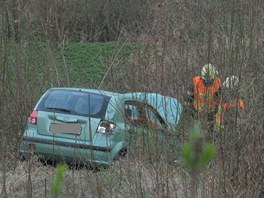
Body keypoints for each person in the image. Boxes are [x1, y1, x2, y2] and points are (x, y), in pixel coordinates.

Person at [184, 63, 222, 132]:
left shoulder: (217, 83)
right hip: (196, 113)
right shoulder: (195, 83)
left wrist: (214, 112)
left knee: (211, 134)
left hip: (211, 114)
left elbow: (219, 100)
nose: (210, 82)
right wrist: (193, 113)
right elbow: (187, 100)